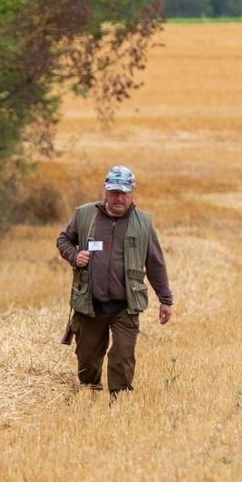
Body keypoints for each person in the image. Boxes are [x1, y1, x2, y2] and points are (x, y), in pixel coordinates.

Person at [56, 165, 174, 395]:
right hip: (91, 304)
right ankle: (90, 394)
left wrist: (165, 299)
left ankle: (119, 401)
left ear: (133, 192)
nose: (119, 198)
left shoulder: (144, 223)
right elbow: (63, 240)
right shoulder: (84, 215)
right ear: (106, 191)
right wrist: (74, 255)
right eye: (114, 192)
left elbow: (155, 264)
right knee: (87, 360)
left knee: (122, 357)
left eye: (124, 193)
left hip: (125, 306)